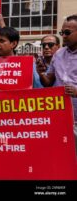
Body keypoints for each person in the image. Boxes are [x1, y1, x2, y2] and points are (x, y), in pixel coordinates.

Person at [37, 14, 77, 148]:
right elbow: (48, 83)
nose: (64, 36)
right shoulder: (58, 54)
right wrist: (41, 72)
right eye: (62, 32)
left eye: (67, 32)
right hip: (61, 117)